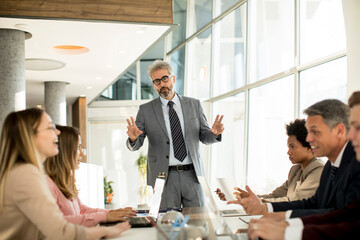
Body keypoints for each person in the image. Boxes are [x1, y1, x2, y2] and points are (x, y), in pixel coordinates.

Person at [0, 108, 130, 239]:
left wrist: (108, 217)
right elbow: (60, 230)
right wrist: (104, 231)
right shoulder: (25, 174)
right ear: (29, 135)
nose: (57, 132)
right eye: (50, 128)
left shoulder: (24, 172)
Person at [248, 91, 360, 240]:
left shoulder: (354, 164)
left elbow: (348, 221)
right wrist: (279, 215)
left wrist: (289, 229)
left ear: (339, 131)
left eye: (315, 132)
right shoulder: (329, 167)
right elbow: (320, 206)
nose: (308, 139)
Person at [126, 60, 224, 209]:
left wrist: (214, 133)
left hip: (192, 175)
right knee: (167, 224)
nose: (162, 84)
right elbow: (136, 144)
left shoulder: (194, 105)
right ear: (154, 85)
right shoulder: (145, 110)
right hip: (163, 177)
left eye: (165, 78)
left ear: (173, 78)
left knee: (198, 220)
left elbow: (204, 136)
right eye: (157, 81)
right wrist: (133, 139)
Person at [44, 125, 137, 227]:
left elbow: (82, 210)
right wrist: (104, 217)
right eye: (78, 147)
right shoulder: (46, 184)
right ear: (65, 150)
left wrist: (112, 213)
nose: (81, 154)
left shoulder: (66, 180)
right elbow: (57, 223)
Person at [216, 119, 324, 203]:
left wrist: (253, 201)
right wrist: (244, 197)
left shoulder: (319, 171)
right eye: (288, 147)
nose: (288, 152)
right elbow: (273, 197)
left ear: (310, 147)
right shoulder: (295, 171)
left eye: (292, 147)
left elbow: (294, 201)